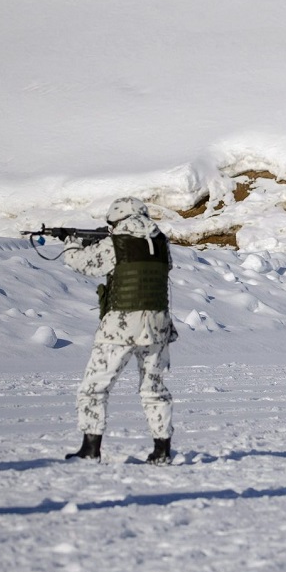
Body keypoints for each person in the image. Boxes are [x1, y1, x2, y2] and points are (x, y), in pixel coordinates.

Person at [63, 197, 178, 464]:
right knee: (154, 389)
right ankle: (162, 451)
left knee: (94, 387)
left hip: (121, 327)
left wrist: (71, 242)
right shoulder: (161, 242)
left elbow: (82, 263)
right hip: (158, 325)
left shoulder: (116, 242)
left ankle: (90, 449)